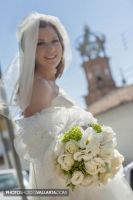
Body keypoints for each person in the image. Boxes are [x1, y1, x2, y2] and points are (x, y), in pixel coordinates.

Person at [5, 12, 133, 200]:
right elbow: (38, 148)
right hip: (69, 186)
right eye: (40, 43)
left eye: (54, 40)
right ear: (30, 50)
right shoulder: (39, 86)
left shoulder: (50, 84)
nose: (51, 49)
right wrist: (84, 154)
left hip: (82, 179)